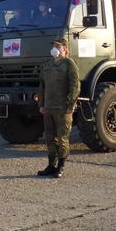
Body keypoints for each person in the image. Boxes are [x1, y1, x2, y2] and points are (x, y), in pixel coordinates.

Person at [37, 37, 80, 178]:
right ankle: (51, 165)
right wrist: (41, 105)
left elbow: (75, 86)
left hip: (62, 108)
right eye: (54, 46)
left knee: (62, 137)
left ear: (66, 49)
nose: (55, 48)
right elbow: (42, 86)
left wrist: (71, 104)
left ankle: (61, 166)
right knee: (49, 137)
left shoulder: (69, 64)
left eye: (58, 46)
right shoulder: (48, 65)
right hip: (48, 107)